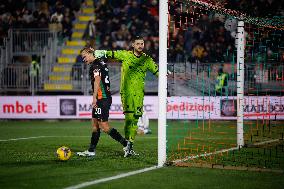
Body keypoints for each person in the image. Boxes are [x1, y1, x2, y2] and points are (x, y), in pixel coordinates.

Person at [93, 36, 159, 155]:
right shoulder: (125, 55)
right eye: (138, 43)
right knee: (129, 119)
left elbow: (157, 71)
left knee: (135, 120)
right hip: (127, 92)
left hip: (139, 94)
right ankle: (127, 145)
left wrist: (166, 74)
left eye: (142, 44)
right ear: (133, 45)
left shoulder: (147, 59)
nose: (140, 46)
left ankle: (130, 146)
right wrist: (96, 52)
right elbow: (110, 53)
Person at [76, 47, 131, 157]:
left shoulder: (96, 65)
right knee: (95, 125)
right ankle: (91, 151)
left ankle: (126, 144)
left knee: (104, 126)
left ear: (90, 53)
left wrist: (94, 97)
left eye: (84, 56)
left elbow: (97, 80)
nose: (84, 59)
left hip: (102, 98)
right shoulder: (101, 62)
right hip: (103, 97)